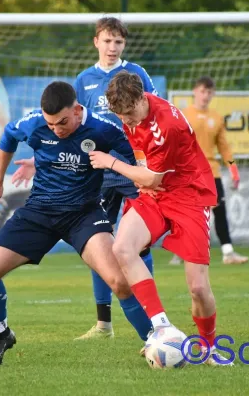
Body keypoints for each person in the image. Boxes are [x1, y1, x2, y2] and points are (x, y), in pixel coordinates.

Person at [0, 81, 153, 367]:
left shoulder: (103, 129)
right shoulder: (35, 123)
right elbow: (8, 136)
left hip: (84, 214)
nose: (56, 129)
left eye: (62, 122)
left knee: (120, 281)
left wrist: (145, 184)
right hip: (39, 212)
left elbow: (136, 159)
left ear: (77, 110)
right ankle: (1, 334)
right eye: (50, 124)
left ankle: (155, 342)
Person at [11, 17, 157, 341]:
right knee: (99, 240)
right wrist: (40, 161)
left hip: (129, 164)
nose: (112, 47)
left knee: (142, 238)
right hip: (96, 169)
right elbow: (67, 132)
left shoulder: (137, 75)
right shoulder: (83, 79)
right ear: (96, 42)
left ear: (124, 45)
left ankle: (152, 313)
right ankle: (104, 324)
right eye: (107, 41)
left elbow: (151, 116)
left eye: (118, 42)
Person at [89, 71, 233, 366]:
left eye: (129, 114)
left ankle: (208, 348)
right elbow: (149, 176)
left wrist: (110, 162)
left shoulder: (166, 125)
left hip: (188, 196)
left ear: (142, 99)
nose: (126, 121)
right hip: (155, 195)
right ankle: (162, 327)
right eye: (120, 116)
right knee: (122, 248)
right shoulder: (129, 112)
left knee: (198, 288)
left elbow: (153, 179)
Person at [168, 76, 249, 266]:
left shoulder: (216, 118)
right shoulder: (183, 114)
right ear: (195, 91)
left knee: (219, 209)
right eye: (202, 91)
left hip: (211, 172)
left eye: (209, 92)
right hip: (188, 172)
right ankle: (180, 251)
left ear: (213, 94)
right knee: (187, 212)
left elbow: (224, 148)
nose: (205, 96)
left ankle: (228, 253)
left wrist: (233, 168)